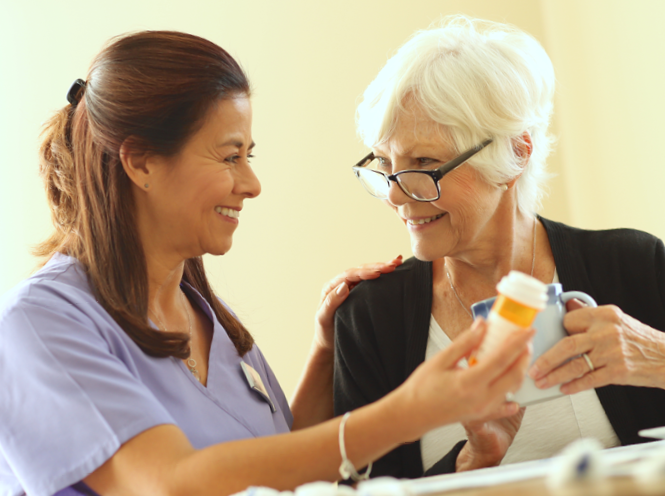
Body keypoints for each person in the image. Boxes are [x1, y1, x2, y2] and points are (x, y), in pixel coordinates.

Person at [0, 31, 535, 496]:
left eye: (248, 157)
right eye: (230, 156)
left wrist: (324, 353)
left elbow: (282, 467)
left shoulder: (209, 319)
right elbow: (175, 483)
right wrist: (409, 412)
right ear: (141, 161)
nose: (251, 184)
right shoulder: (41, 326)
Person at [333, 15, 665, 479]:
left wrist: (657, 357)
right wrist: (475, 460)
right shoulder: (371, 317)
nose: (393, 193)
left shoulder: (634, 265)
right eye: (385, 164)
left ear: (517, 152)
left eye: (424, 162)